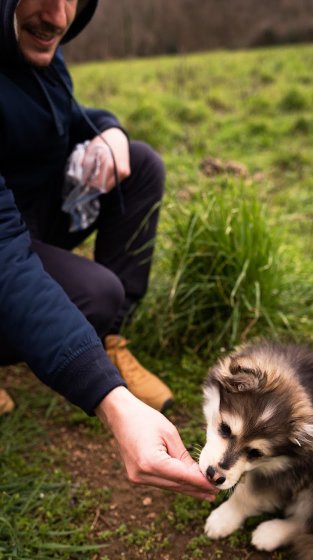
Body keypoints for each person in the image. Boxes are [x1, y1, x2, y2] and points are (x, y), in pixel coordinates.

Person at [0, 0, 216, 502]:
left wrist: (110, 131)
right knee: (96, 294)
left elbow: (68, 117)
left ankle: (111, 343)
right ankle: (89, 347)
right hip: (6, 239)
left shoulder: (36, 52)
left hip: (30, 217)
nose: (57, 16)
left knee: (139, 162)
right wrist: (107, 398)